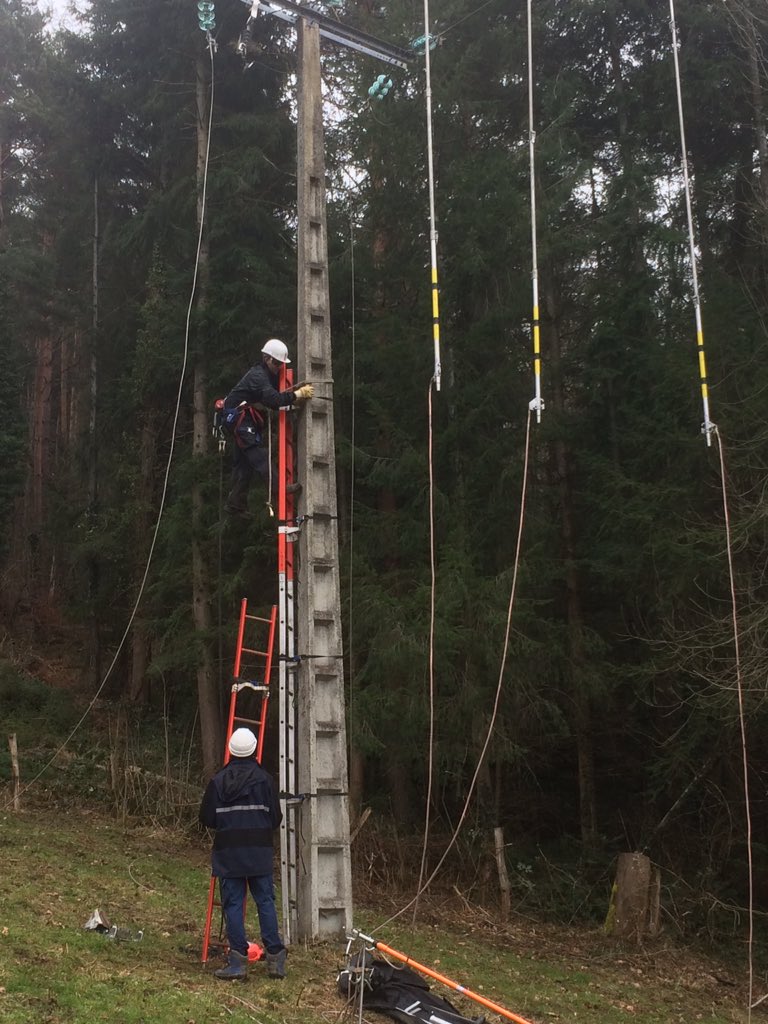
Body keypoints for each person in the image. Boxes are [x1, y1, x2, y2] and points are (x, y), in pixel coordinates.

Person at [199, 727, 287, 981]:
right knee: (265, 902)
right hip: (259, 853)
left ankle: (237, 962)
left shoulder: (218, 782)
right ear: (254, 750)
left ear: (230, 750)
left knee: (233, 905)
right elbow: (276, 818)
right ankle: (275, 959)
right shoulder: (265, 781)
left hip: (229, 854)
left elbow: (206, 818)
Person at [223, 338, 313, 516]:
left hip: (243, 420)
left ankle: (235, 504)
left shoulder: (267, 376)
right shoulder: (258, 376)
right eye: (277, 363)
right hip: (240, 420)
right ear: (266, 359)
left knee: (244, 465)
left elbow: (273, 400)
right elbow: (274, 400)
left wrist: (291, 399)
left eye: (281, 364)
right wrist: (296, 395)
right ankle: (278, 488)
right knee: (260, 456)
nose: (279, 367)